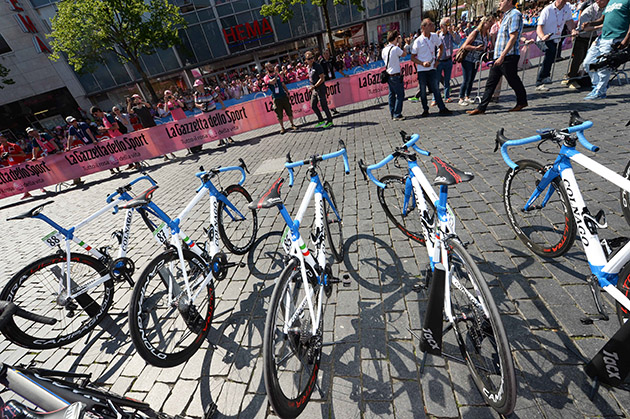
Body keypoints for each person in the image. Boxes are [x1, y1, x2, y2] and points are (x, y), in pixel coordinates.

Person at [468, 0, 528, 115]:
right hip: (499, 56)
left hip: (508, 56)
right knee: (491, 82)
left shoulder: (515, 14)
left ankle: (522, 101)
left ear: (510, 1)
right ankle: (481, 107)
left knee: (513, 80)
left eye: (502, 0)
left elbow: (513, 37)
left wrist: (502, 56)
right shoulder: (506, 15)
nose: (500, 2)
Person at [582, 0, 630, 100]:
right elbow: (602, 19)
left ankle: (600, 91)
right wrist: (590, 23)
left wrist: (626, 40)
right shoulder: (611, 1)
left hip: (615, 38)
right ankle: (598, 84)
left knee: (604, 67)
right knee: (587, 63)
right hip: (602, 38)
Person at [411, 19, 452, 117]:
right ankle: (425, 109)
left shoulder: (434, 36)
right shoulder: (418, 41)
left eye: (432, 24)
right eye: (430, 25)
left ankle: (442, 108)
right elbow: (412, 57)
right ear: (423, 27)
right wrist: (422, 63)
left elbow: (441, 47)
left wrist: (438, 60)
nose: (432, 26)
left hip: (432, 68)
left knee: (436, 89)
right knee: (423, 91)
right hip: (422, 70)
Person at [565, 0, 607, 89]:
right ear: (598, 1)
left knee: (592, 58)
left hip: (593, 36)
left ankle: (589, 77)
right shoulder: (588, 10)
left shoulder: (605, 9)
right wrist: (600, 26)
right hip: (581, 37)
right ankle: (571, 80)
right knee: (578, 59)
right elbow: (584, 28)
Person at [535, 0, 576, 91]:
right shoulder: (547, 10)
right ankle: (540, 80)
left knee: (552, 55)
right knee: (551, 51)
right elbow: (539, 27)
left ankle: (545, 76)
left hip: (555, 38)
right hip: (543, 39)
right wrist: (543, 37)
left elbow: (569, 22)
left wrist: (573, 30)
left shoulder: (567, 8)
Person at [458, 16, 494, 106]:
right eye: (490, 23)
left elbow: (484, 48)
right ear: (485, 23)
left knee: (471, 79)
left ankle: (467, 96)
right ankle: (461, 98)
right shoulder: (475, 32)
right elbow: (465, 46)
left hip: (476, 60)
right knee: (466, 79)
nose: (491, 25)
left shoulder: (487, 35)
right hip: (468, 59)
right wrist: (475, 48)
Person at [0, 133, 44, 199]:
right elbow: (3, 157)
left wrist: (11, 155)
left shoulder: (14, 145)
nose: (1, 140)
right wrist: (4, 157)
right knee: (21, 180)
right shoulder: (1, 148)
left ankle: (41, 187)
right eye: (0, 139)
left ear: (6, 138)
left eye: (2, 138)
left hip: (21, 164)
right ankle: (26, 193)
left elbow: (23, 155)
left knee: (31, 176)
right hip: (13, 166)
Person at [192, 79, 234, 146]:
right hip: (206, 112)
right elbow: (196, 104)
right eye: (196, 87)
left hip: (213, 110)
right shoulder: (196, 94)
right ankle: (220, 139)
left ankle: (229, 137)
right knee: (214, 127)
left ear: (201, 85)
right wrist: (200, 105)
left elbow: (218, 98)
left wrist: (223, 105)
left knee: (220, 124)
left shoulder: (209, 90)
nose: (196, 88)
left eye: (197, 86)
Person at [263, 63, 298, 134]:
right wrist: (276, 75)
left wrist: (287, 91)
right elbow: (272, 82)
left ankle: (292, 124)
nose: (271, 67)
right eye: (269, 67)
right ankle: (282, 127)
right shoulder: (266, 77)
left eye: (271, 66)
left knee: (289, 110)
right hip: (276, 97)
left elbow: (282, 84)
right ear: (267, 69)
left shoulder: (278, 75)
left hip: (283, 95)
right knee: (279, 113)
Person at [433, 17, 461, 105]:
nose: (449, 26)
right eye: (447, 25)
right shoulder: (437, 36)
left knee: (447, 80)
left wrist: (453, 32)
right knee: (436, 80)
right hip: (439, 61)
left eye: (450, 24)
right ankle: (435, 98)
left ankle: (447, 96)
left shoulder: (450, 35)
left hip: (448, 60)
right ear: (442, 26)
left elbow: (458, 41)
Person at [382, 30, 407, 120]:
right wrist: (401, 44)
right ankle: (397, 114)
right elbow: (404, 54)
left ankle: (393, 113)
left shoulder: (384, 50)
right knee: (400, 95)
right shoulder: (395, 49)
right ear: (396, 38)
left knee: (391, 95)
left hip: (389, 75)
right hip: (396, 75)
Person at [305, 51, 333, 128]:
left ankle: (330, 121)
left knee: (324, 105)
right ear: (306, 60)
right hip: (314, 89)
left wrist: (314, 86)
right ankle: (321, 120)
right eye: (309, 58)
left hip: (320, 88)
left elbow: (322, 78)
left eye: (312, 57)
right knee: (313, 105)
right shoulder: (308, 68)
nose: (311, 59)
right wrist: (311, 86)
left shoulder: (317, 66)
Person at [89, 107, 122, 173]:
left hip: (119, 135)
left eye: (95, 114)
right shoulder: (103, 118)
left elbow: (116, 126)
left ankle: (136, 163)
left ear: (98, 111)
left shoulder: (108, 116)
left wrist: (105, 129)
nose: (96, 116)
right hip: (114, 137)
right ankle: (131, 164)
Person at [319, 49, 348, 115]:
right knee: (329, 95)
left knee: (334, 93)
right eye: (325, 54)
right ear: (323, 55)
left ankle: (334, 107)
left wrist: (344, 75)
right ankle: (332, 107)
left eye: (328, 53)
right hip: (326, 80)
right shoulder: (321, 62)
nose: (327, 55)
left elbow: (337, 68)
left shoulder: (332, 59)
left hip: (333, 78)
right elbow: (320, 73)